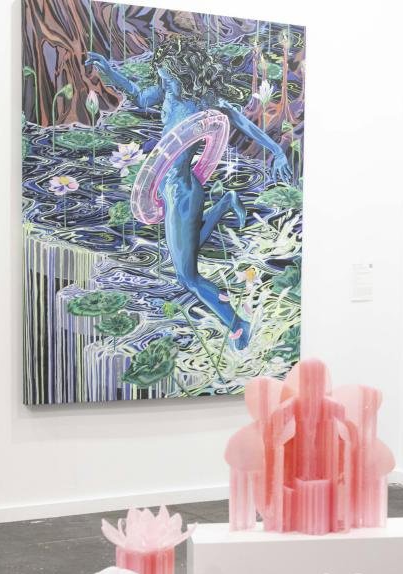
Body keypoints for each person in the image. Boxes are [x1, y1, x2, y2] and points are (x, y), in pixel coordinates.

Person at [87, 34, 291, 348]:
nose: (163, 83)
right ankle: (225, 202)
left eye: (168, 78)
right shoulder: (167, 91)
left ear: (184, 73)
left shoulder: (205, 101)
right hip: (168, 187)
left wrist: (277, 151)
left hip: (182, 190)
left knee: (187, 276)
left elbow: (243, 123)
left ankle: (237, 324)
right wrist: (109, 71)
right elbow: (140, 97)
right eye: (162, 77)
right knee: (187, 257)